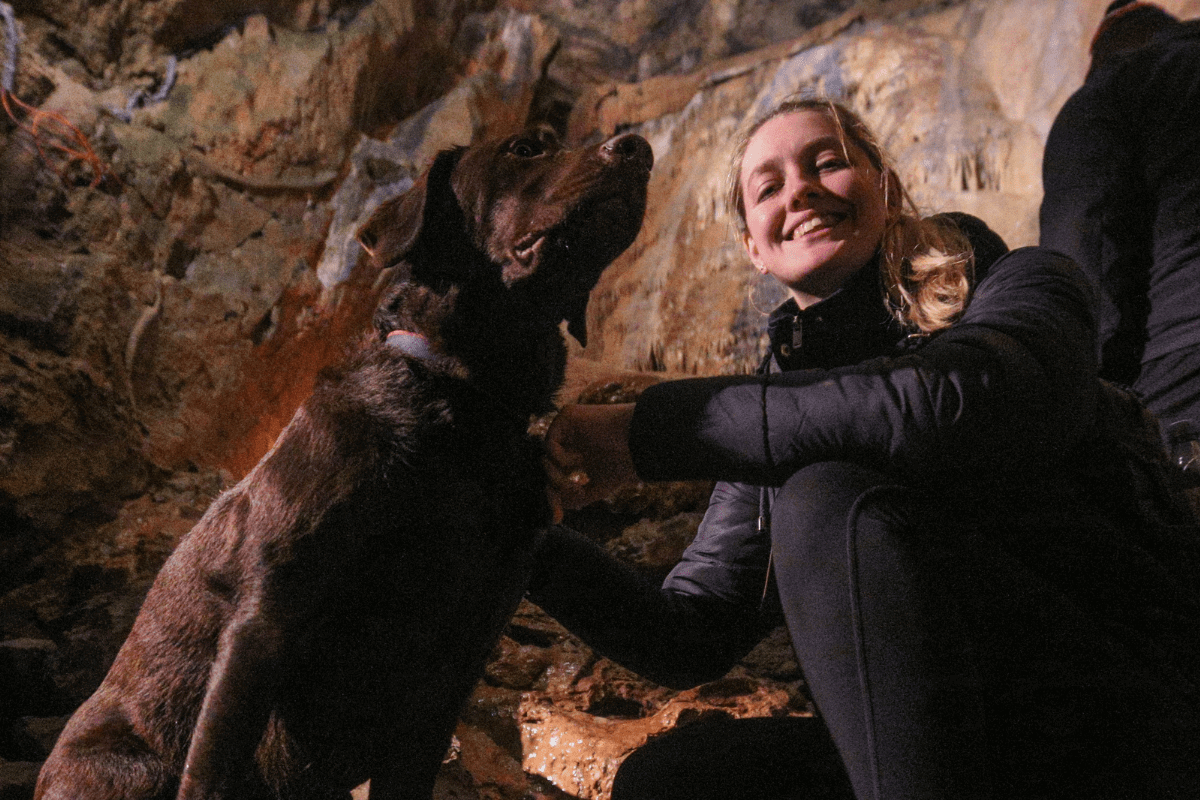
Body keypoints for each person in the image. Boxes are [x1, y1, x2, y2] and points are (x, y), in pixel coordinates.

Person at [528, 96, 1200, 800]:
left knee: (828, 501)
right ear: (755, 248)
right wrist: (515, 527)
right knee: (678, 779)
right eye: (768, 187)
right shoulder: (776, 409)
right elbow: (687, 634)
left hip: (1126, 713)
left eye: (827, 162)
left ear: (886, 187)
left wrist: (648, 435)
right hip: (951, 748)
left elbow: (949, 402)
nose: (802, 190)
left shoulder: (1022, 286)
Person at [1039, 0, 1200, 465]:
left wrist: (1084, 397)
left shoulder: (1113, 90)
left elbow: (1087, 248)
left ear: (1106, 49)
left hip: (1183, 370)